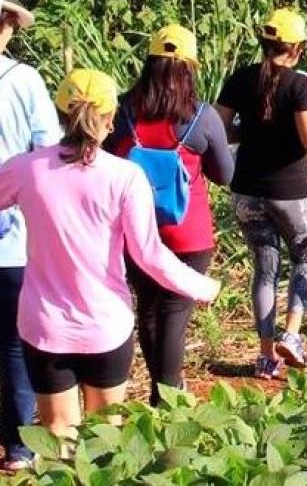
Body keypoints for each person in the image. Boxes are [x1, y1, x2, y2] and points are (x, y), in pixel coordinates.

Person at [0, 70, 220, 440]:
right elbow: (150, 255)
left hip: (44, 327)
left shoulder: (26, 169)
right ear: (108, 120)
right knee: (104, 438)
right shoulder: (125, 176)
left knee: (57, 436)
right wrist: (202, 286)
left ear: (59, 116)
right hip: (106, 326)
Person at [217, 9, 307, 379]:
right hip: (290, 190)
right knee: (306, 258)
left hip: (246, 188)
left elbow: (220, 130)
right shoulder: (297, 86)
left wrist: (255, 131)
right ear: (296, 48)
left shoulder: (241, 79)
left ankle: (264, 356)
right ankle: (291, 335)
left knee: (265, 268)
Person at [103, 25, 233, 405]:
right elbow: (224, 175)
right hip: (189, 233)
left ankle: (160, 392)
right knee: (175, 313)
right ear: (190, 69)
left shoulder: (124, 110)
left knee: (149, 310)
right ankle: (168, 395)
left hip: (137, 230)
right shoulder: (200, 117)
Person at [0, 0, 59, 472]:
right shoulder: (25, 82)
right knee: (15, 344)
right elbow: (48, 151)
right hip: (13, 234)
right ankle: (18, 446)